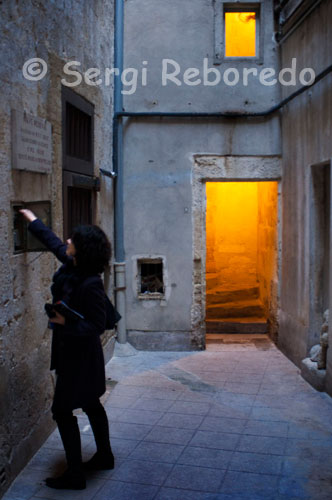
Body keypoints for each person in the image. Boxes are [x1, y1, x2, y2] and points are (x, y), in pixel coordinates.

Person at [20, 209, 114, 490]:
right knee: (91, 404)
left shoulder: (90, 283)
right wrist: (32, 219)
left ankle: (75, 474)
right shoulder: (74, 265)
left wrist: (64, 322)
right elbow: (54, 243)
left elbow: (97, 325)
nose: (68, 240)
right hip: (75, 355)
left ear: (82, 250)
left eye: (73, 240)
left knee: (62, 411)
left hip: (81, 359)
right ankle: (105, 456)